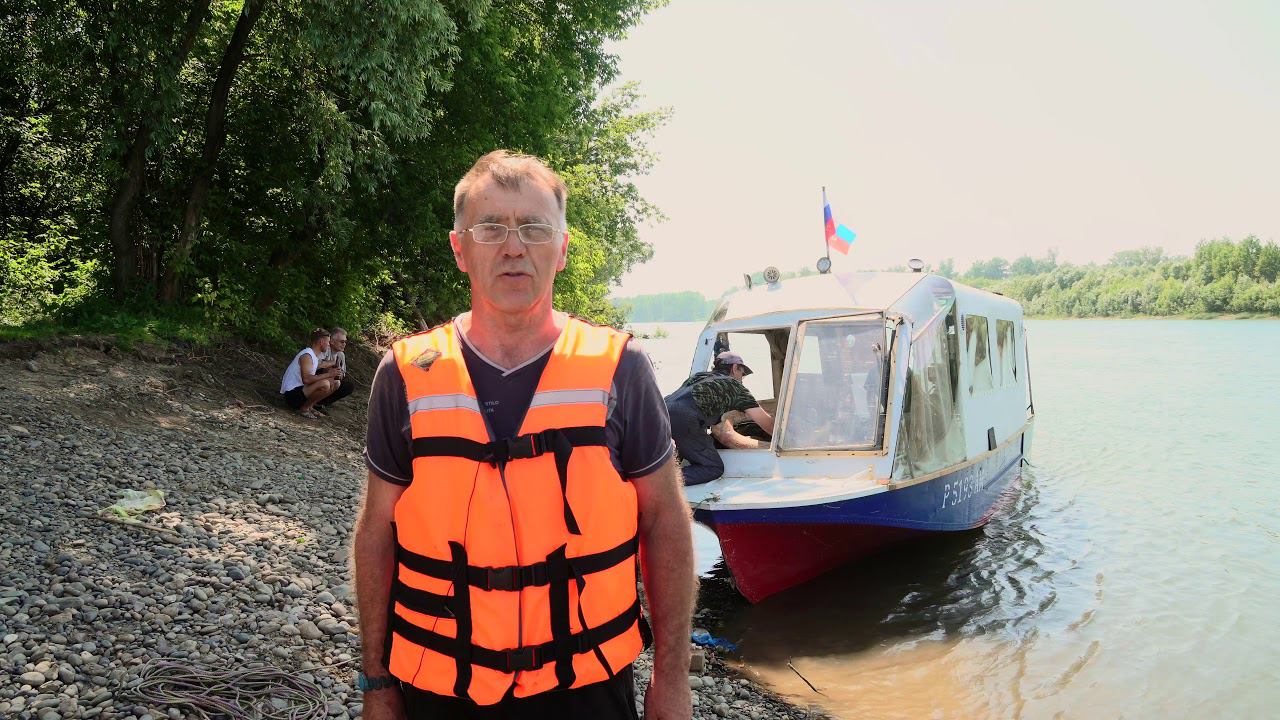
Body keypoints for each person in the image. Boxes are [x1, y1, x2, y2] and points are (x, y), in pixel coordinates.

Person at [352, 150, 695, 720]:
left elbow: (664, 520)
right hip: (439, 687)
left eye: (534, 228)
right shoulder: (406, 374)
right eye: (490, 228)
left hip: (586, 688)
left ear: (560, 249)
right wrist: (376, 681)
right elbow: (376, 532)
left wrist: (672, 679)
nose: (513, 247)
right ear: (460, 249)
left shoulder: (621, 369)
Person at [664, 351, 775, 485]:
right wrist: (788, 441)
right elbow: (767, 424)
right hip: (685, 419)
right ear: (735, 368)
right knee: (713, 467)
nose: (742, 378)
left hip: (660, 411)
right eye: (742, 373)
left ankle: (660, 478)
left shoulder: (698, 376)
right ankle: (664, 483)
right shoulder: (735, 387)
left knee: (671, 461)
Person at [280, 328, 340, 419]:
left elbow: (321, 365)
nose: (329, 345)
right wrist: (329, 375)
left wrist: (333, 364)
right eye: (328, 342)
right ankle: (304, 408)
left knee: (335, 383)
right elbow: (307, 379)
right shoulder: (307, 355)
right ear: (321, 342)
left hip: (301, 391)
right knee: (325, 384)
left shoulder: (313, 356)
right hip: (292, 395)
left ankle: (310, 406)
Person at [314, 326, 352, 414]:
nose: (344, 344)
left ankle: (321, 403)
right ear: (331, 341)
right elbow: (313, 367)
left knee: (348, 386)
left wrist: (340, 374)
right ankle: (312, 400)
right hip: (317, 377)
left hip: (330, 378)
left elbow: (342, 373)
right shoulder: (323, 349)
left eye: (345, 342)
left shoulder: (341, 355)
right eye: (342, 342)